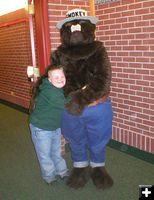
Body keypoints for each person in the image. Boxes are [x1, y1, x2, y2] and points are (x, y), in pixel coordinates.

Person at [29, 64, 69, 184]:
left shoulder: (57, 88)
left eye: (62, 76)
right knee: (45, 154)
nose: (60, 79)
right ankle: (49, 175)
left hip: (54, 127)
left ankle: (62, 171)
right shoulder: (50, 91)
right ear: (50, 79)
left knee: (56, 151)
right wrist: (80, 96)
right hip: (41, 128)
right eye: (56, 77)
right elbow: (65, 105)